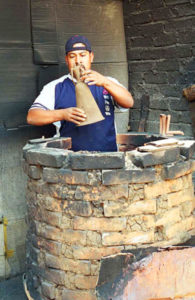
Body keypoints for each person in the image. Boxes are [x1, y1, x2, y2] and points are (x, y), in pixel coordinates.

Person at [27, 35, 134, 151]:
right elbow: (32, 117)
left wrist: (105, 82)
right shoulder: (56, 86)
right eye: (72, 56)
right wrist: (63, 114)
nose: (78, 61)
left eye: (83, 55)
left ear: (91, 57)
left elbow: (129, 102)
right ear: (67, 60)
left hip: (108, 156)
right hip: (70, 160)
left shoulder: (108, 82)